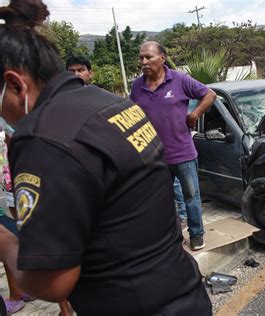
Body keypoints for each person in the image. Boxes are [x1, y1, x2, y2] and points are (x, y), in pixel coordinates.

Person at [0, 1, 211, 315]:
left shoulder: (42, 136)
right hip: (184, 291)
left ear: (15, 84)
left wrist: (5, 240)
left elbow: (53, 282)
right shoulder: (113, 104)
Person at [130, 41, 216, 251]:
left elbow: (209, 94)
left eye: (148, 57)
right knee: (163, 201)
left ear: (162, 58)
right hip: (154, 156)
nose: (144, 62)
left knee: (191, 197)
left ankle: (196, 235)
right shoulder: (137, 86)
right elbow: (132, 113)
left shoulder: (179, 80)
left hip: (183, 153)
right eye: (141, 57)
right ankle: (173, 236)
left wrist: (194, 114)